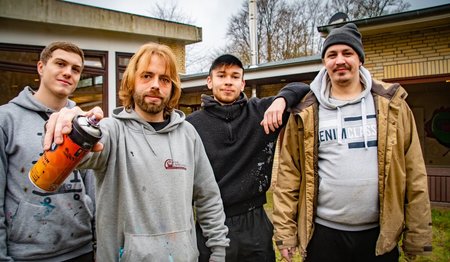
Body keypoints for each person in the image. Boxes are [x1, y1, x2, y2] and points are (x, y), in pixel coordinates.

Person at [42, 42, 229, 261]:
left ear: (172, 88)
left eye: (164, 79)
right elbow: (85, 152)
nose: (156, 85)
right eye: (147, 76)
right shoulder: (112, 131)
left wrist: (218, 251)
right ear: (131, 82)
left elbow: (208, 198)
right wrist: (72, 128)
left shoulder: (188, 134)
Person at [272, 23, 432, 262]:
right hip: (323, 236)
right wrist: (285, 232)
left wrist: (417, 235)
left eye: (347, 53)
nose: (339, 61)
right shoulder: (306, 111)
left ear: (360, 59)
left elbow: (414, 172)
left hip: (379, 236)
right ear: (324, 62)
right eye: (331, 55)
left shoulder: (392, 106)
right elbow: (288, 175)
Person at [186, 54, 309, 261]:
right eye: (221, 75)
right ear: (209, 81)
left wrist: (281, 100)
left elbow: (304, 88)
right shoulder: (191, 125)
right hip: (213, 222)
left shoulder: (262, 112)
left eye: (235, 77)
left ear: (242, 83)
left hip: (255, 222)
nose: (228, 81)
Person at [0, 42, 96, 261]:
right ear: (41, 67)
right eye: (60, 64)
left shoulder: (82, 122)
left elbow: (92, 185)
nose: (67, 73)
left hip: (82, 248)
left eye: (75, 69)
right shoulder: (6, 120)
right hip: (28, 254)